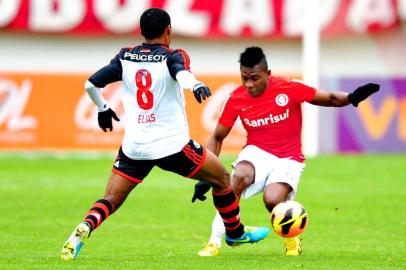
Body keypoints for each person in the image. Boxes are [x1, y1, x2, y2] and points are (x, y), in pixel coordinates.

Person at [60, 9, 271, 261]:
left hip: (134, 148)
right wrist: (196, 85)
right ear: (168, 30)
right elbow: (180, 72)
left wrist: (103, 108)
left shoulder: (125, 56)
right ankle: (235, 233)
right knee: (223, 178)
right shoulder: (173, 55)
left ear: (141, 31)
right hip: (173, 148)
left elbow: (90, 84)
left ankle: (83, 229)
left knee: (110, 199)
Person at [192, 47, 380, 257]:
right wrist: (205, 174)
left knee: (272, 200)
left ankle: (292, 240)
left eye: (254, 78)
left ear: (268, 73)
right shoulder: (236, 98)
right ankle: (214, 243)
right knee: (237, 179)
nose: (249, 84)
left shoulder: (289, 88)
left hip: (288, 158)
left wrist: (353, 97)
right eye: (244, 78)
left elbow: (329, 98)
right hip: (256, 152)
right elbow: (218, 137)